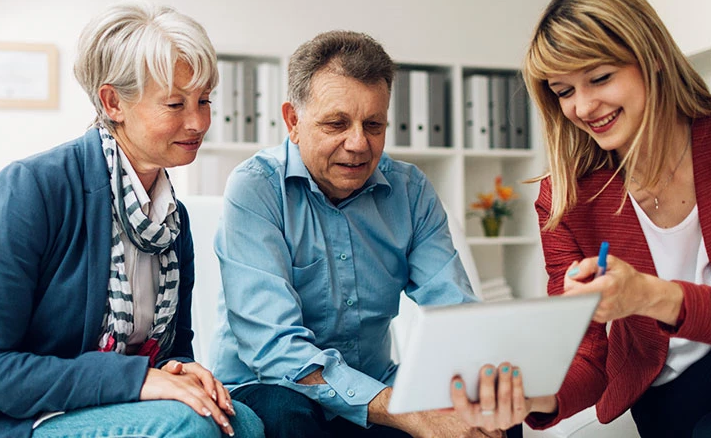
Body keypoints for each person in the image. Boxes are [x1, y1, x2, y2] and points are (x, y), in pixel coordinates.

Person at [0, 1, 264, 437]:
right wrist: (140, 379)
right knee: (190, 428)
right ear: (113, 102)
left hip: (98, 409)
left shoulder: (171, 219)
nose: (199, 121)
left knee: (241, 423)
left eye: (204, 100)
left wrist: (180, 370)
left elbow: (172, 347)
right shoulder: (34, 188)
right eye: (174, 104)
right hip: (6, 422)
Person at [447, 0, 711, 437]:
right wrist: (532, 395)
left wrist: (648, 296)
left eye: (599, 78)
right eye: (564, 91)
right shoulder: (565, 198)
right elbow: (587, 354)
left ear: (653, 58)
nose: (583, 107)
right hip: (674, 402)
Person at [209, 30, 497, 438]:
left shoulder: (411, 191)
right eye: (336, 124)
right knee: (289, 416)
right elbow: (274, 349)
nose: (359, 144)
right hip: (273, 388)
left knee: (488, 419)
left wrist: (479, 387)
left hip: (375, 391)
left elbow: (456, 314)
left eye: (374, 124)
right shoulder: (255, 188)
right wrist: (406, 412)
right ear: (293, 121)